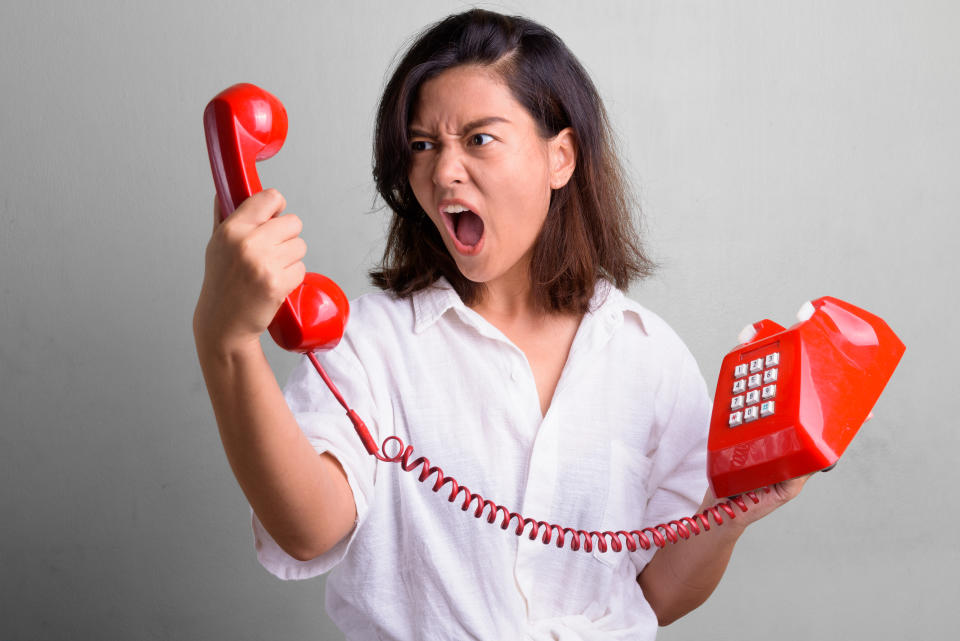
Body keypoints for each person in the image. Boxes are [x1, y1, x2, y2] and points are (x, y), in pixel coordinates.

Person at [193, 8, 809, 640]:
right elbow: (307, 529)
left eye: (479, 138)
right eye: (423, 146)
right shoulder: (369, 342)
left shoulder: (648, 356)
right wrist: (228, 343)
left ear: (560, 158)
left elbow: (655, 596)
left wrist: (726, 515)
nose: (442, 171)